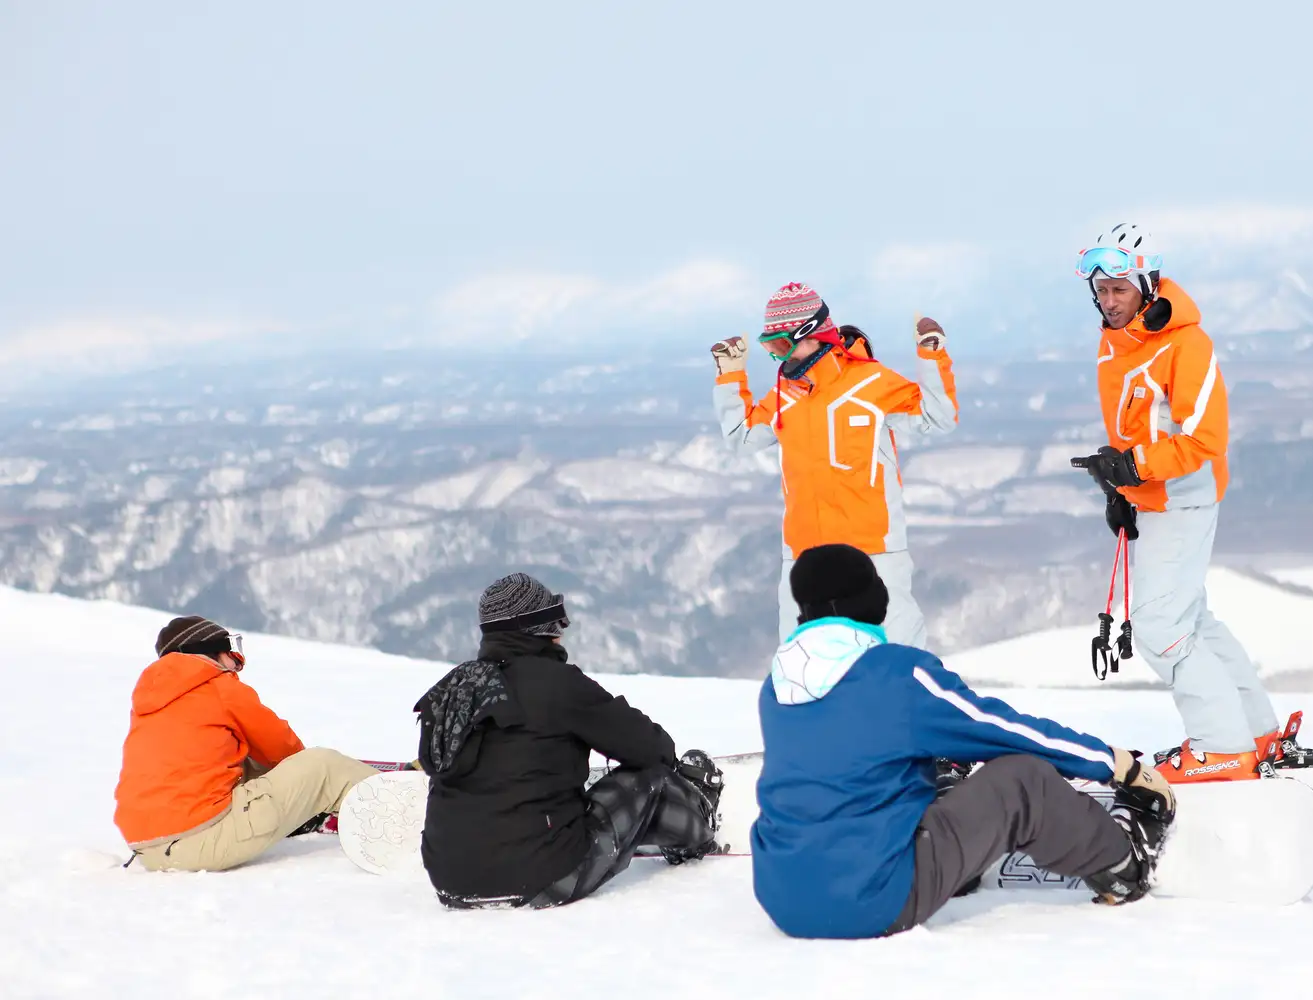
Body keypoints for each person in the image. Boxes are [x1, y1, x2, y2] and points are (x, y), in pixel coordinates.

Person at [750, 543, 1175, 939]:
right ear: (862, 602)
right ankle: (1122, 865)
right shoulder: (897, 674)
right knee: (1022, 781)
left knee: (928, 780)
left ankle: (957, 870)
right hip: (873, 903)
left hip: (781, 899)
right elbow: (1001, 730)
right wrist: (1112, 763)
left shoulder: (776, 686)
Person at [1070, 223, 1313, 782]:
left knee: (1161, 627)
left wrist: (1134, 468)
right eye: (1101, 289)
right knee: (1193, 620)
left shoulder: (1185, 344)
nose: (1109, 301)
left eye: (1120, 288)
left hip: (1183, 496)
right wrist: (1122, 486)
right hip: (1154, 499)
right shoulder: (1119, 341)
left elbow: (1205, 439)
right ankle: (1256, 735)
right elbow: (1141, 428)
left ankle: (1221, 747)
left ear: (1146, 284)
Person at [415, 572, 726, 909]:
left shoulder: (456, 688)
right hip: (539, 878)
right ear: (541, 629)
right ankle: (697, 827)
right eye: (556, 622)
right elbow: (651, 749)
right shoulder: (557, 684)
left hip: (450, 883)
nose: (561, 633)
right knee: (651, 781)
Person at [711, 281, 959, 647]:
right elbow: (742, 436)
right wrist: (730, 374)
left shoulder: (871, 382)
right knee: (803, 659)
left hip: (872, 550)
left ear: (810, 333)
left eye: (782, 345)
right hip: (803, 556)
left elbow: (939, 416)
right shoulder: (786, 395)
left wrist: (931, 355)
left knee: (893, 656)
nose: (779, 357)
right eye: (771, 348)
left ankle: (903, 704)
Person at [114, 616, 379, 871]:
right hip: (202, 841)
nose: (238, 663)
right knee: (324, 767)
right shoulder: (217, 685)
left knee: (243, 763)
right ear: (209, 651)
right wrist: (314, 787)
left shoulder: (149, 702)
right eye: (232, 651)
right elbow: (285, 752)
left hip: (147, 851)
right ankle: (407, 806)